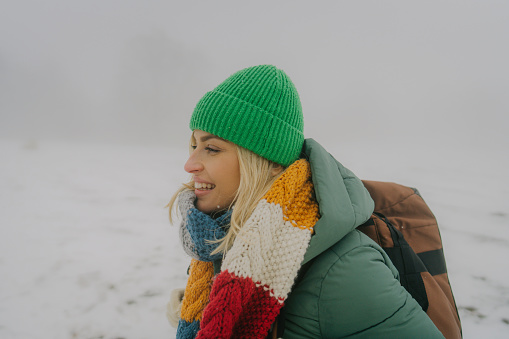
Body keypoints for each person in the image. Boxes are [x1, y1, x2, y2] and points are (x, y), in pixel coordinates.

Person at [167, 65, 445, 338]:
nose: (190, 164)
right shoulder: (223, 240)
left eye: (211, 148)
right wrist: (197, 307)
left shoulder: (346, 270)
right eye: (194, 146)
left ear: (269, 163)